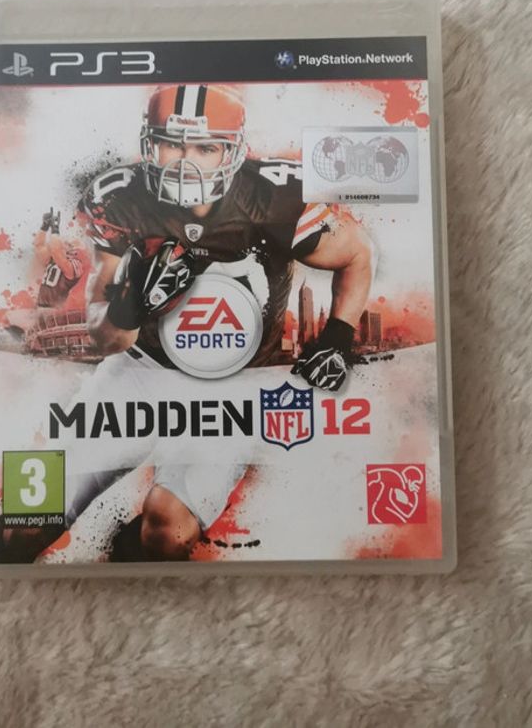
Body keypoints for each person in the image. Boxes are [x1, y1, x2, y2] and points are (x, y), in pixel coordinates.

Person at [58, 84, 373, 562]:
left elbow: (356, 254)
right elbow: (105, 336)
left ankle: (126, 557)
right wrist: (130, 306)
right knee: (37, 511)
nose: (186, 163)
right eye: (172, 144)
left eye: (205, 148)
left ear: (234, 151)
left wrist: (338, 337)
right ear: (149, 144)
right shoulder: (121, 198)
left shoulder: (274, 199)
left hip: (238, 383)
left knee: (167, 533)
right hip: (144, 367)